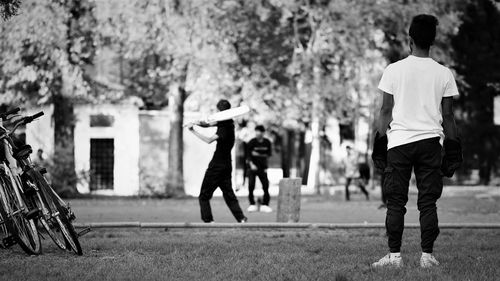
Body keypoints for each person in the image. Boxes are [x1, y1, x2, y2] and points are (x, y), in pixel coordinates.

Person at [371, 14, 461, 268]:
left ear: (410, 40)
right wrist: (454, 149)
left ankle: (395, 256)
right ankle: (427, 256)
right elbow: (448, 116)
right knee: (428, 201)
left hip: (399, 143)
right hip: (431, 143)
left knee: (395, 201)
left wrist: (379, 143)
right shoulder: (444, 73)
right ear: (432, 41)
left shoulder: (393, 70)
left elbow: (385, 111)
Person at [187, 99, 247, 223]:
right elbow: (208, 124)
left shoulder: (223, 128)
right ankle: (241, 219)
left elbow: (209, 140)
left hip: (217, 166)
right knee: (229, 195)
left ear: (219, 111)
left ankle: (208, 221)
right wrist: (197, 122)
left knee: (204, 196)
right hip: (227, 165)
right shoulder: (229, 123)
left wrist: (192, 130)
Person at [246, 125, 272, 213]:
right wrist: (251, 164)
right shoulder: (252, 142)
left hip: (263, 168)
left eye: (259, 131)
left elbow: (268, 154)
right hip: (252, 168)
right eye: (256, 131)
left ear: (263, 132)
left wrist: (257, 154)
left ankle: (265, 205)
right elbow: (248, 156)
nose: (257, 133)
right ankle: (252, 204)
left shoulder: (267, 142)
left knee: (265, 186)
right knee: (251, 186)